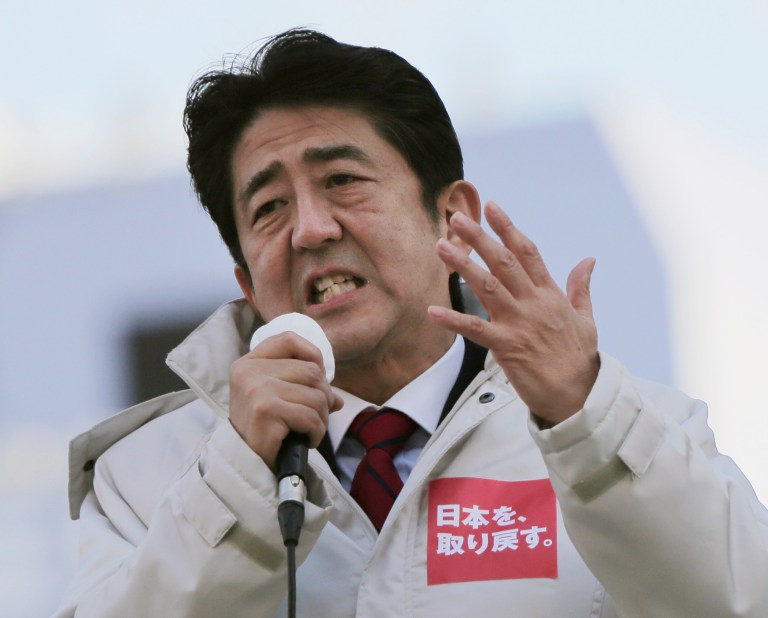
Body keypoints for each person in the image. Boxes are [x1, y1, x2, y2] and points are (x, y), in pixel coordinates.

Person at [55, 29, 768, 617]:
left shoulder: (626, 426)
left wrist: (587, 420)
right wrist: (239, 482)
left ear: (452, 216)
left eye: (341, 180)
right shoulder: (140, 477)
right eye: (268, 208)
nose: (308, 228)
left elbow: (736, 599)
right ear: (247, 282)